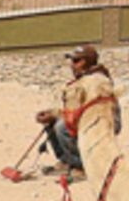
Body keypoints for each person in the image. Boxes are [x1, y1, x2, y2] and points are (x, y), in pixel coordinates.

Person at [34, 45, 114, 176]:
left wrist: (61, 116)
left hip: (100, 121)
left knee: (62, 126)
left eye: (76, 61)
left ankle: (81, 166)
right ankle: (66, 160)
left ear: (87, 62)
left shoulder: (97, 81)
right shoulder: (82, 80)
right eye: (72, 61)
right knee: (53, 122)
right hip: (84, 117)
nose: (72, 65)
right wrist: (53, 113)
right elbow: (74, 109)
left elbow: (95, 110)